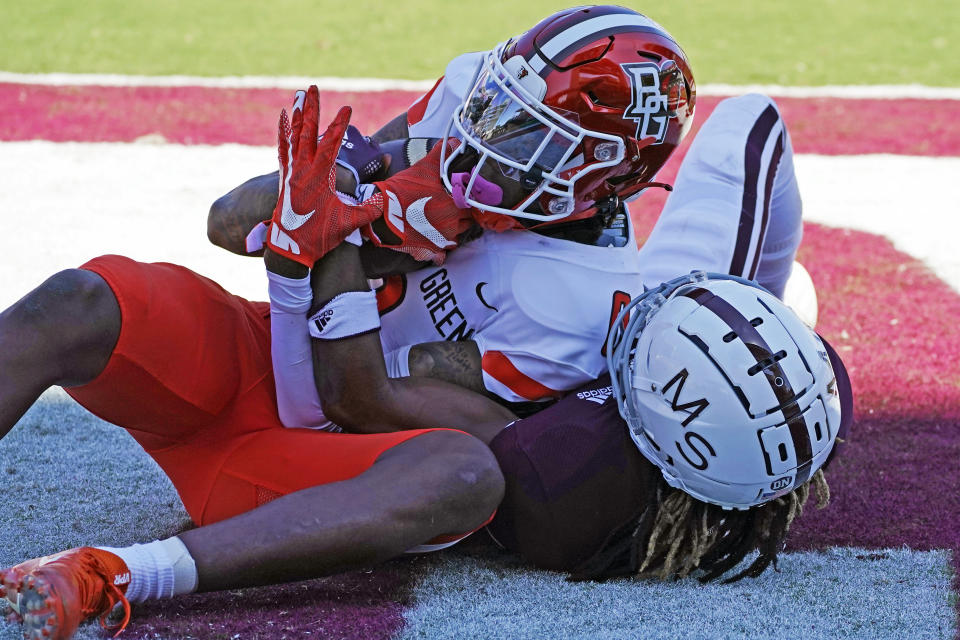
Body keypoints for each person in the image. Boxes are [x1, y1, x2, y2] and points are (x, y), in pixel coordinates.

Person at [0, 7, 850, 640]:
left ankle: (120, 577)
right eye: (505, 113)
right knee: (80, 299)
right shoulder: (469, 106)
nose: (492, 144)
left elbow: (355, 399)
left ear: (605, 178)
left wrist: (328, 240)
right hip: (255, 353)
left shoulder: (579, 306)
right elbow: (228, 223)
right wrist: (349, 179)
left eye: (537, 141)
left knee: (464, 475)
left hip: (321, 455)